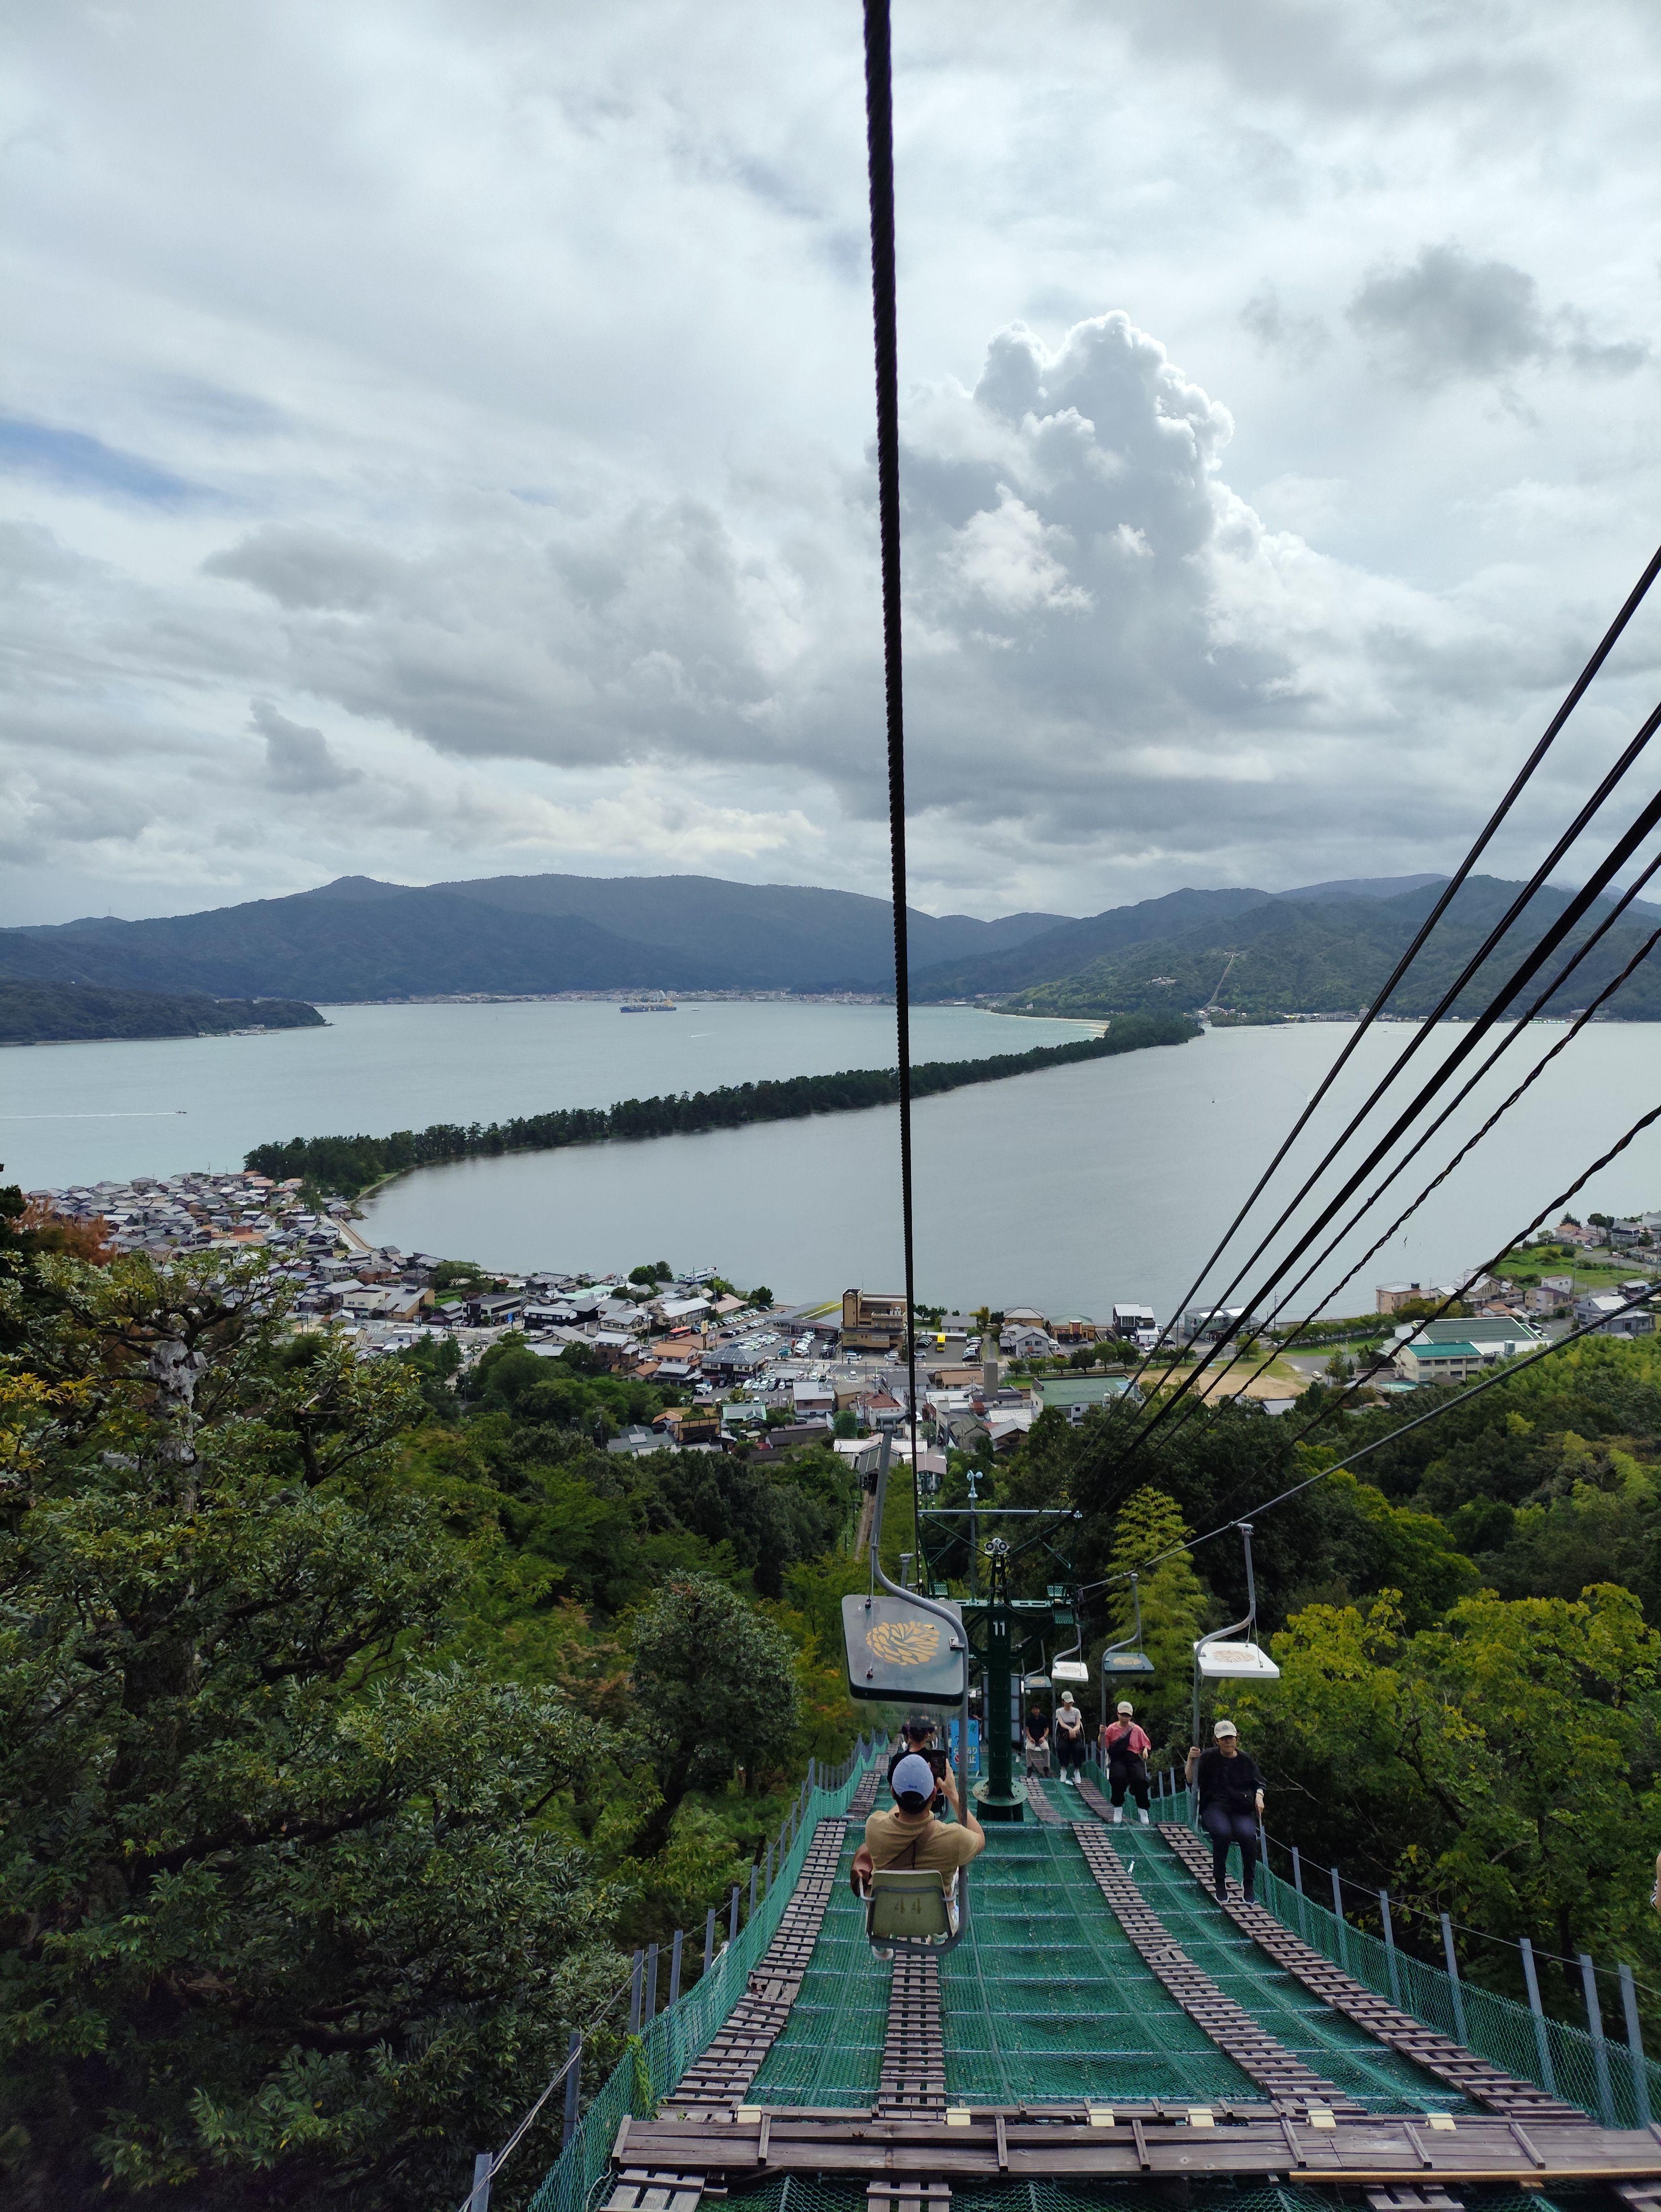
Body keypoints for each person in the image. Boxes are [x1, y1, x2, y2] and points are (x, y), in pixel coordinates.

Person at [851, 1751, 986, 1896]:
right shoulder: (955, 1838)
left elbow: (892, 1813)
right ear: (934, 1795)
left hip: (885, 1918)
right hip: (935, 1919)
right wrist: (952, 1793)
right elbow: (980, 1837)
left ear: (892, 1792)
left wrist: (914, 1790)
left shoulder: (874, 1827)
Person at [1185, 1719, 1264, 1903]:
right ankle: (1220, 1881)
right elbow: (1191, 1780)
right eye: (1224, 1739)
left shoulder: (1245, 1760)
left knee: (1247, 1836)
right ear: (1217, 1741)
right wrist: (1190, 1759)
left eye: (1231, 1738)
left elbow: (1259, 1782)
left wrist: (1259, 1796)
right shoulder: (1208, 1757)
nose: (1228, 1741)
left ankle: (1249, 1883)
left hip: (1240, 1806)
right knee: (1223, 1834)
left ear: (1237, 1739)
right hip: (1215, 1805)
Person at [1101, 1699, 1153, 1825]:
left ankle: (1143, 1809)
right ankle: (1118, 1807)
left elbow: (1146, 1743)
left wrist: (1145, 1750)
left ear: (1131, 1716)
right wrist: (1101, 1734)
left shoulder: (1137, 1729)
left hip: (1133, 1758)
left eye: (1127, 1715)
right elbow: (1103, 1745)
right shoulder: (1112, 1729)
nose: (1125, 1718)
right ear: (1118, 1714)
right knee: (1118, 1778)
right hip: (1118, 1758)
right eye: (1123, 1715)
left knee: (1140, 1780)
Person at [887, 1713, 948, 1813]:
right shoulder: (935, 1759)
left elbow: (893, 1785)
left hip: (904, 1810)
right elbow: (941, 1783)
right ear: (926, 1735)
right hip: (932, 1810)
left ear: (910, 1735)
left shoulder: (898, 1759)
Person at [1053, 1690, 1086, 1785]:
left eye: (1071, 1702)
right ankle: (1063, 1769)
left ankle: (1077, 1770)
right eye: (1068, 1702)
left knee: (1078, 1748)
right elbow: (1061, 1723)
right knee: (1063, 1748)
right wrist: (1069, 1730)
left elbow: (1078, 1724)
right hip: (1064, 1733)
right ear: (1063, 1701)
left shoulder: (1076, 1711)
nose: (1069, 1704)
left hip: (1075, 1732)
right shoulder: (1059, 1711)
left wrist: (1074, 1730)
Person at [1024, 1702, 1051, 1777]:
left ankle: (1046, 1767)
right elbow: (1027, 1730)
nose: (1036, 1711)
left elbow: (1047, 1729)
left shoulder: (1043, 1718)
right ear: (1032, 1711)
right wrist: (1030, 1738)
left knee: (1047, 1749)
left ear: (1039, 1710)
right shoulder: (1029, 1719)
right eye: (1034, 1709)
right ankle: (1029, 1767)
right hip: (1032, 1739)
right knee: (1028, 1749)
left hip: (1041, 1739)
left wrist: (1044, 1737)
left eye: (1037, 1709)